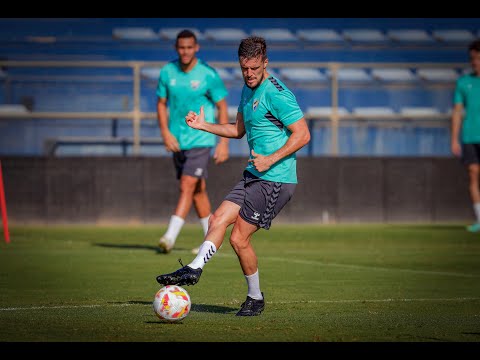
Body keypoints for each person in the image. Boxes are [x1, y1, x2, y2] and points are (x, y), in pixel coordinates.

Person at [155, 36, 311, 316]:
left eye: (254, 68)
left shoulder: (277, 93)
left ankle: (255, 298)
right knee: (217, 219)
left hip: (276, 178)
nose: (249, 74)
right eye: (244, 69)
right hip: (254, 174)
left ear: (265, 63)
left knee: (239, 239)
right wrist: (204, 125)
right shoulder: (247, 89)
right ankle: (194, 269)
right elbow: (237, 130)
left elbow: (303, 134)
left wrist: (270, 159)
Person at [156, 29, 230, 254]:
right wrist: (166, 134)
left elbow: (222, 105)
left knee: (187, 185)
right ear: (176, 48)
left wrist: (223, 142)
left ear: (196, 48)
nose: (185, 51)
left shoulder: (208, 74)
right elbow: (161, 103)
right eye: (181, 47)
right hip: (178, 140)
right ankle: (211, 240)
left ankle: (168, 238)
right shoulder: (167, 72)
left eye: (189, 47)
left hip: (201, 138)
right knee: (197, 191)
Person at [451, 39, 480, 232]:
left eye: (478, 58)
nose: (475, 62)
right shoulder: (463, 82)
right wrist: (454, 138)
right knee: (473, 174)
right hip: (470, 136)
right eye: (472, 58)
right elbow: (457, 111)